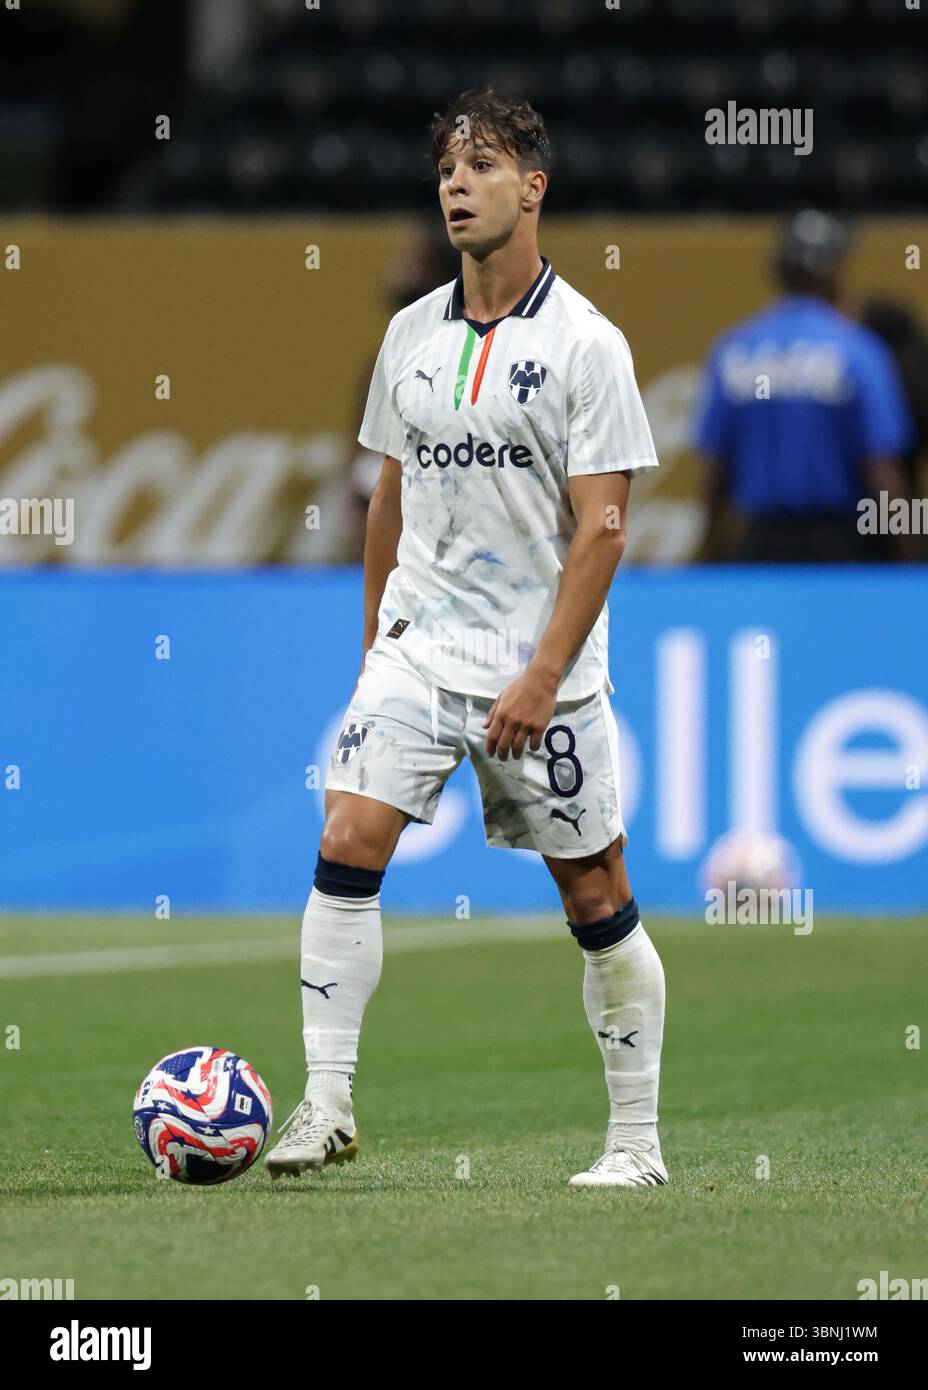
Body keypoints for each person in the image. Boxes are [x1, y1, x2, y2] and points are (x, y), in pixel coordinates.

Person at [265, 88, 667, 1189]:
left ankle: (635, 1144)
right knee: (347, 838)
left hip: (541, 670)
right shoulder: (409, 336)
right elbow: (384, 501)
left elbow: (605, 526)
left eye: (482, 165)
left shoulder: (589, 344)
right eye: (447, 165)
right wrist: (371, 650)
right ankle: (327, 1103)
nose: (455, 183)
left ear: (531, 188)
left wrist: (542, 674)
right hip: (418, 648)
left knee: (594, 893)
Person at [694, 210, 916, 562]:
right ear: (835, 270)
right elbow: (883, 468)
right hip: (839, 547)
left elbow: (716, 471)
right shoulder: (858, 350)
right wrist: (909, 559)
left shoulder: (734, 350)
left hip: (759, 544)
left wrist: (704, 553)